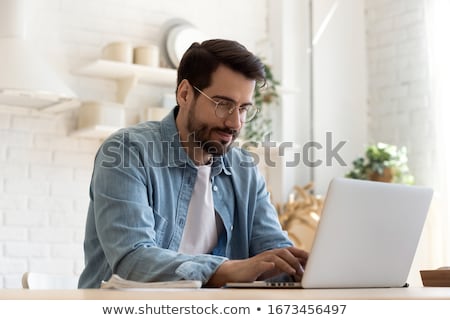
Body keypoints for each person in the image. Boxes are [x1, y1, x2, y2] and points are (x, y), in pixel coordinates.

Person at [78, 39, 308, 288]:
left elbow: (274, 252)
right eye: (223, 105)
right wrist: (227, 269)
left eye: (243, 109)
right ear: (185, 93)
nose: (235, 123)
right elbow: (132, 261)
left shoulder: (244, 171)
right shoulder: (126, 152)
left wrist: (302, 268)